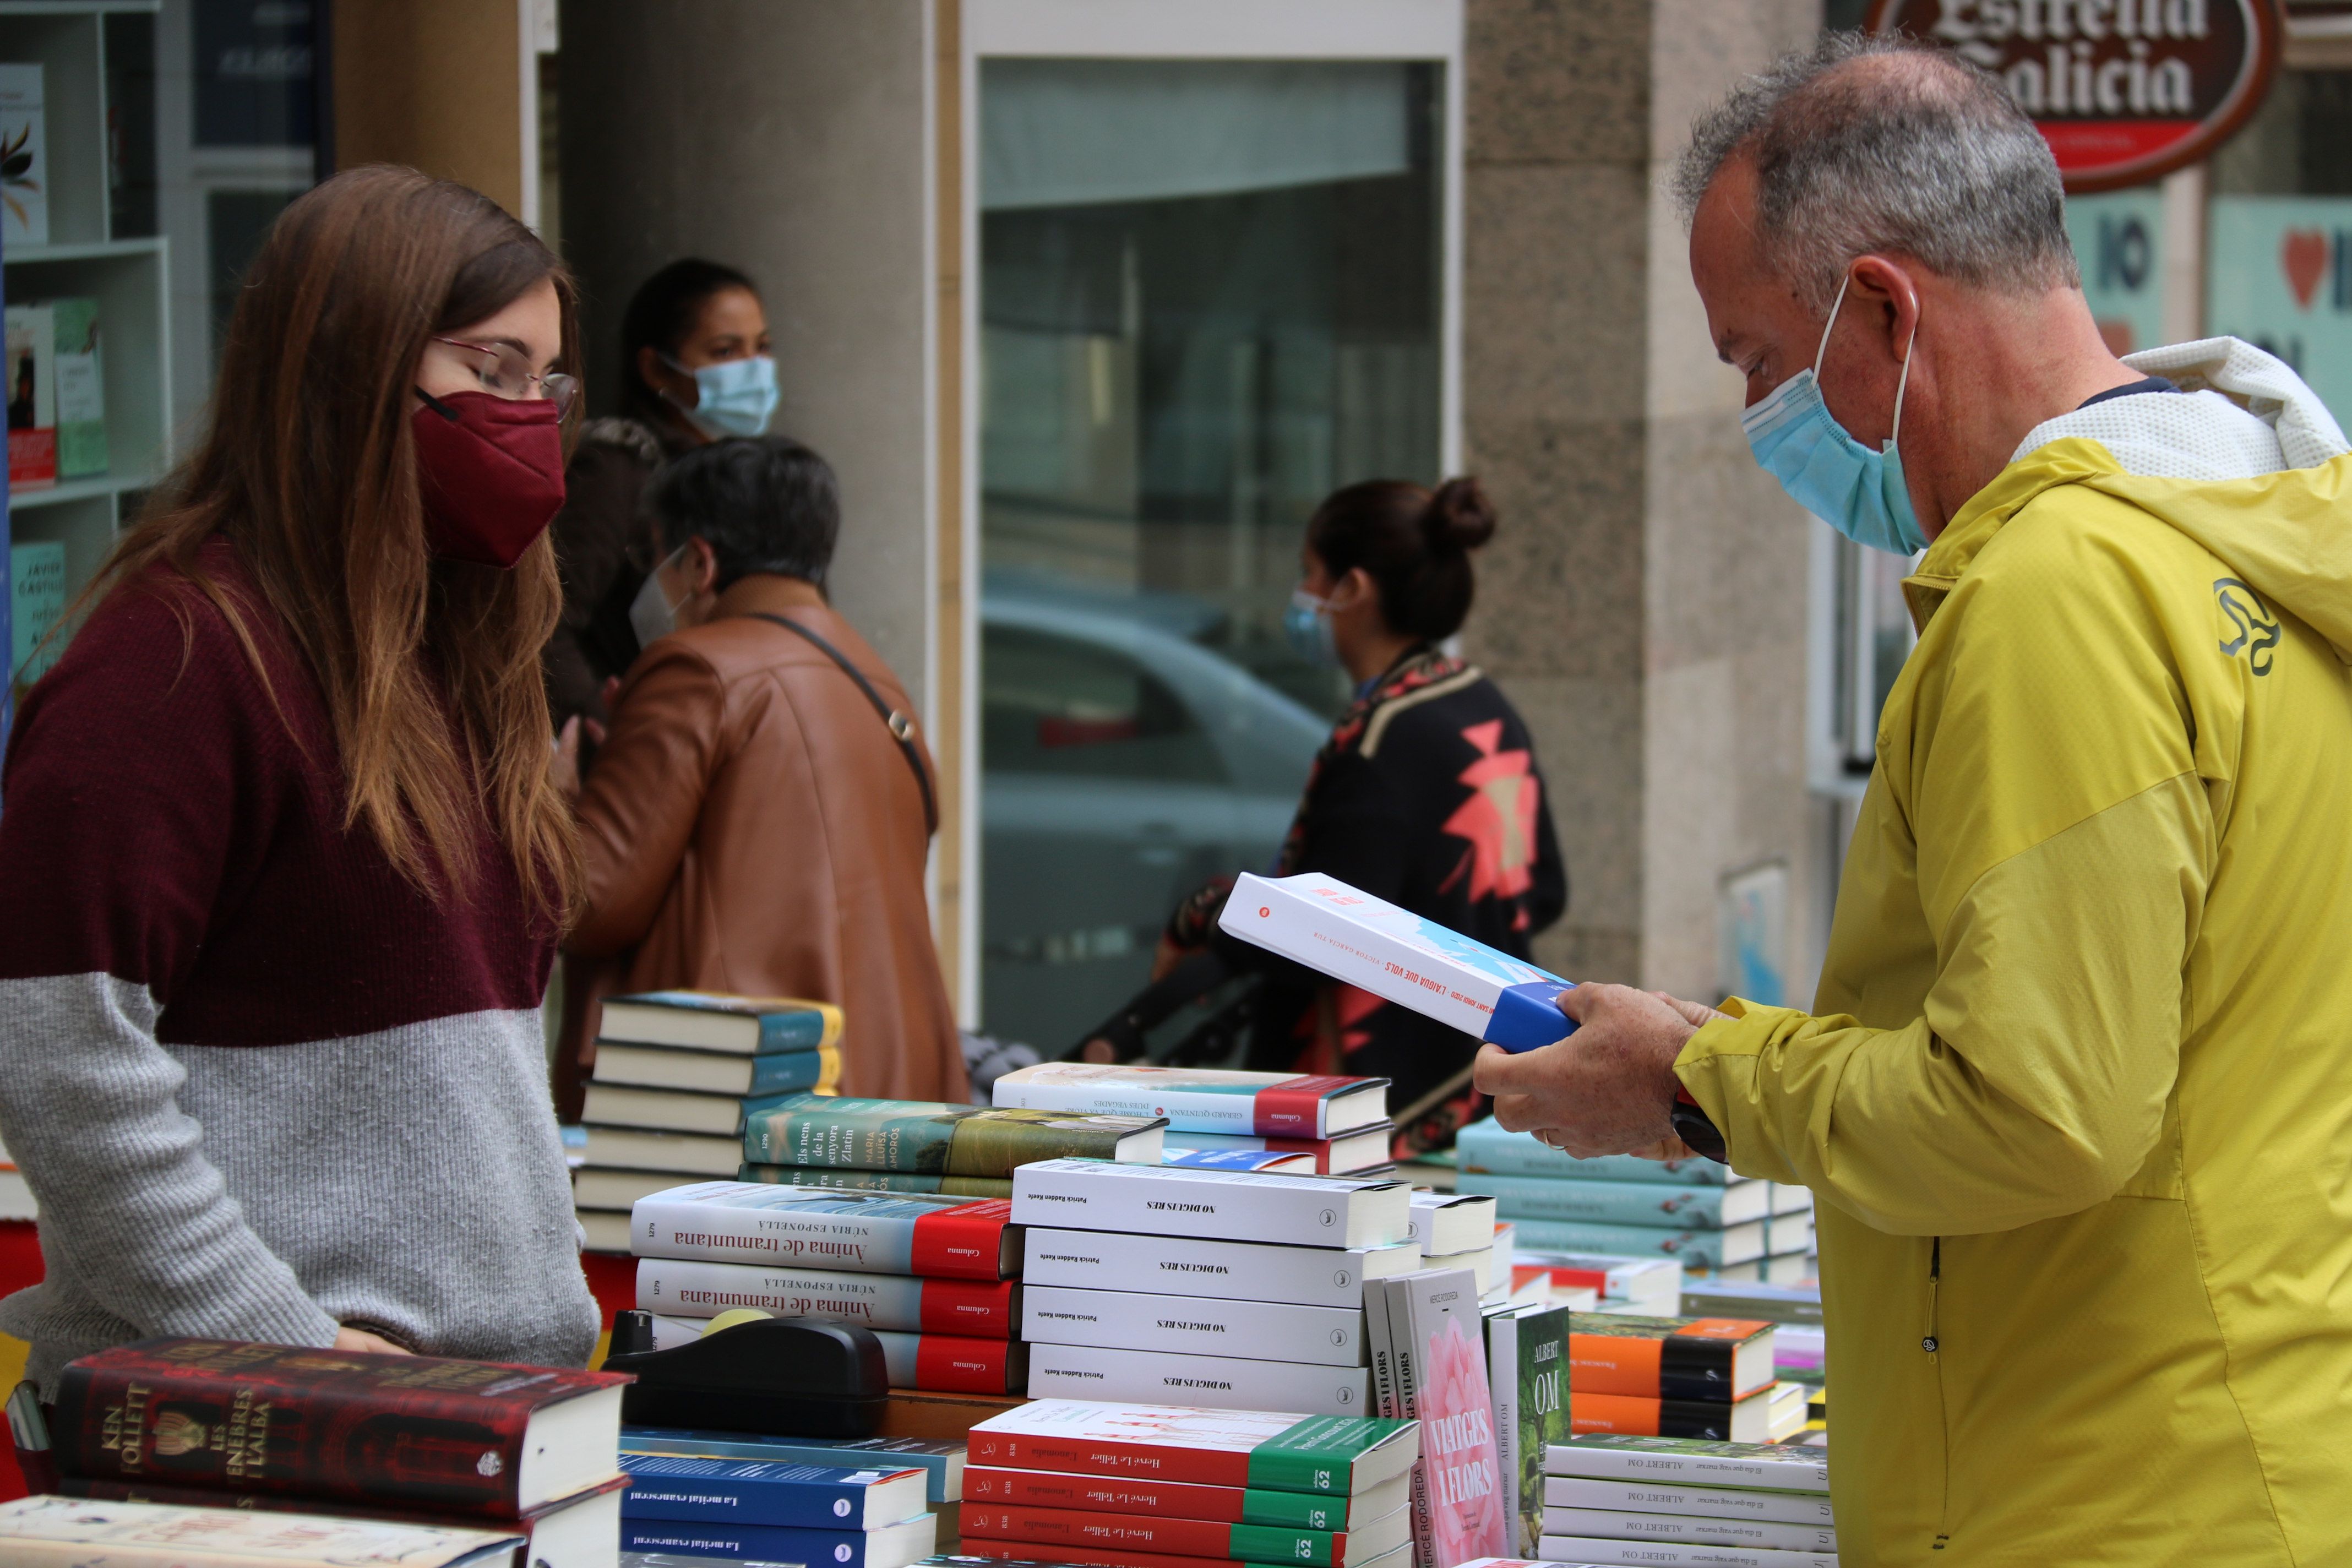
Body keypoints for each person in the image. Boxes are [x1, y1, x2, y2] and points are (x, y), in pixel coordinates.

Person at [1476, 34, 2352, 1565]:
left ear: (1884, 306)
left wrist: (1696, 1081)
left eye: (1755, 359)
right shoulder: (2245, 536)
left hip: (2102, 1496)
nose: (1756, 413)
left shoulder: (2061, 592)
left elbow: (2038, 1109)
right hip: (2247, 1446)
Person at [0, 167, 598, 1385]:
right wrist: (290, 1346)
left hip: (468, 1406)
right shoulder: (173, 658)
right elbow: (56, 1052)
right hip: (269, 1428)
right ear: (353, 368)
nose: (528, 415)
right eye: (492, 370)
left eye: (545, 381)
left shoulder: (460, 659)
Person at [1085, 477, 1566, 1157]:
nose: (1304, 595)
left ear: (1354, 590)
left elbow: (1322, 937)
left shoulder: (1379, 741)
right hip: (1486, 1082)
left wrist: (1210, 910)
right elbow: (1544, 892)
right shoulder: (1481, 703)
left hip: (1384, 1107)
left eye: (1311, 574)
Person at [559, 435, 967, 1103]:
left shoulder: (696, 669)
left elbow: (591, 899)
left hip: (737, 1101)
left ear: (699, 563)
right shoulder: (882, 688)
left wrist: (550, 805)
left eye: (653, 560)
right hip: (882, 1093)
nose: (651, 585)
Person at [543, 258, 777, 731]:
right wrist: (609, 735)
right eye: (725, 352)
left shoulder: (740, 473)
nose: (753, 371)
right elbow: (548, 628)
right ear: (656, 369)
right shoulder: (618, 469)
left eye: (763, 347)